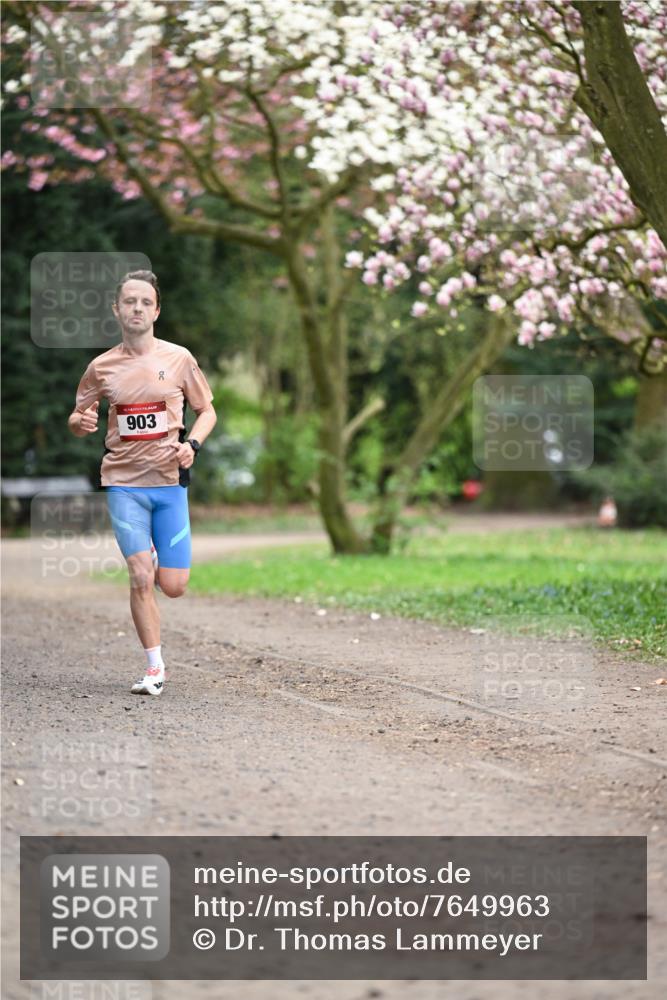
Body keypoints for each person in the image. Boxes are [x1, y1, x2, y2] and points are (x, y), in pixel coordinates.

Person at [68, 270, 217, 696]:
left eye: (145, 302)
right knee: (139, 576)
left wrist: (193, 444)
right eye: (129, 301)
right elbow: (78, 419)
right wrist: (80, 422)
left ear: (156, 310)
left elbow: (207, 412)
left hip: (169, 484)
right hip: (123, 483)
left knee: (173, 586)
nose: (137, 308)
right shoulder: (101, 367)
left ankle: (155, 554)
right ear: (117, 309)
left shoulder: (179, 359)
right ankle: (155, 668)